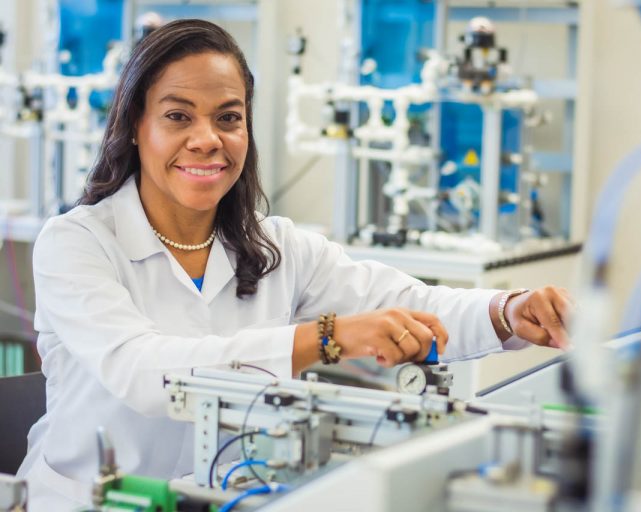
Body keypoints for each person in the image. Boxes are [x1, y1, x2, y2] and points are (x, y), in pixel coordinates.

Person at [17, 19, 573, 510]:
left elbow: (401, 300)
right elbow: (142, 372)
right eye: (178, 116)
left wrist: (508, 310)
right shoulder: (77, 243)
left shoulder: (272, 244)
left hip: (224, 495)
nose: (207, 139)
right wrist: (326, 338)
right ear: (136, 125)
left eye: (228, 118)